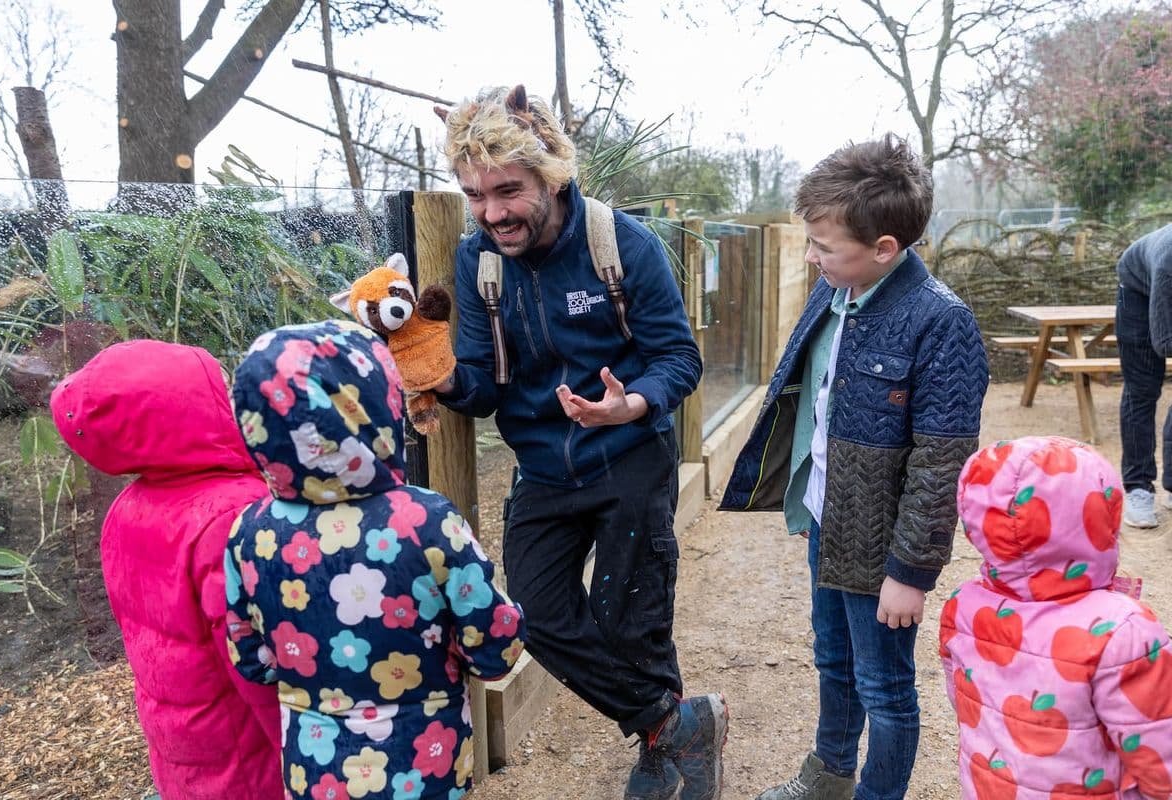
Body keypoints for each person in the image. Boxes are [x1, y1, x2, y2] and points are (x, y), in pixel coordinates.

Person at [432, 84, 726, 800]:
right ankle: (676, 723)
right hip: (542, 467)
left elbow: (678, 359)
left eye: (508, 190)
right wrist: (432, 373)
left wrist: (633, 404)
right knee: (534, 614)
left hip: (629, 457)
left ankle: (667, 762)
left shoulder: (621, 244)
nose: (492, 212)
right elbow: (482, 387)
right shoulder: (481, 264)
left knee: (633, 620)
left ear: (551, 174)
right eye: (475, 195)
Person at [720, 134, 990, 800]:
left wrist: (911, 571)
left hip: (883, 551)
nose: (811, 257)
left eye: (823, 246)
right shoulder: (833, 291)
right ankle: (831, 773)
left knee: (885, 687)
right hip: (826, 519)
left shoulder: (940, 322)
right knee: (833, 661)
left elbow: (941, 463)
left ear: (885, 250)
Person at [224, 320, 525, 800]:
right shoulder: (426, 521)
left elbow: (253, 660)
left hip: (313, 770)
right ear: (375, 407)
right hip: (425, 766)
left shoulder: (250, 533)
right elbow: (495, 648)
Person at [49, 340, 281, 800]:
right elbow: (256, 667)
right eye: (218, 390)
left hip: (183, 750)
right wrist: (301, 753)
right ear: (188, 410)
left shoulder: (125, 509)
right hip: (250, 762)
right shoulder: (234, 516)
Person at [941, 435, 1172, 799]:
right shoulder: (1123, 631)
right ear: (1100, 518)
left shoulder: (964, 606)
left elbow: (969, 704)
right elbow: (1161, 758)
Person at [1115, 222, 1172, 528]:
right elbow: (1164, 343)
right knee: (1142, 390)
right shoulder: (1168, 262)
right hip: (1137, 292)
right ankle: (1138, 488)